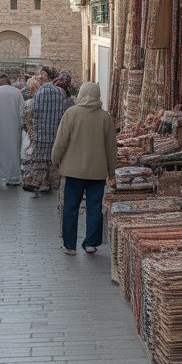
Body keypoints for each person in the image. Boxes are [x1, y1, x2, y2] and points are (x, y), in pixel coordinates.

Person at [52, 81, 116, 255]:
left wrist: (55, 159)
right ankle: (91, 243)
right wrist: (112, 172)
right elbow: (111, 147)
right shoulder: (105, 117)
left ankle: (70, 245)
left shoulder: (71, 113)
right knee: (94, 207)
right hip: (97, 171)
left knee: (70, 207)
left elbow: (61, 141)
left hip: (73, 171)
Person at [23, 67, 67, 195]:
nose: (39, 77)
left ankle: (40, 183)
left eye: (41, 74)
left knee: (40, 161)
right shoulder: (60, 92)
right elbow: (63, 114)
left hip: (41, 134)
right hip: (55, 134)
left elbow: (33, 114)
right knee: (53, 160)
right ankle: (52, 183)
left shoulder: (39, 92)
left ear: (46, 75)